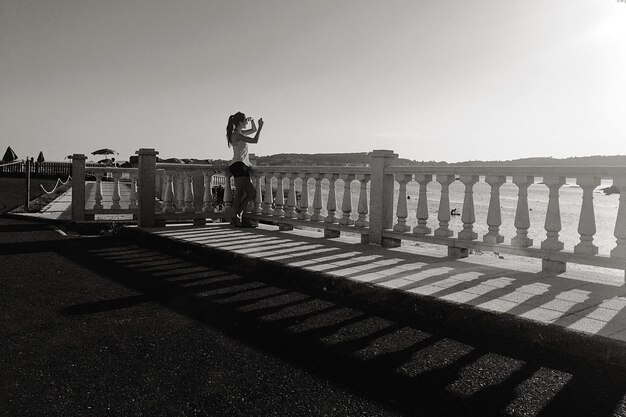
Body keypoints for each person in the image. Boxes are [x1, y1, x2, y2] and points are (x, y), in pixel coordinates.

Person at [226, 112, 264, 226]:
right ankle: (235, 216)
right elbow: (255, 140)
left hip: (241, 165)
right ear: (240, 122)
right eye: (245, 121)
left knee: (247, 193)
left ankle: (236, 216)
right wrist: (261, 127)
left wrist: (252, 122)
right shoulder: (237, 135)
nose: (247, 122)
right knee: (244, 193)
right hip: (239, 165)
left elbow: (253, 130)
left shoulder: (238, 133)